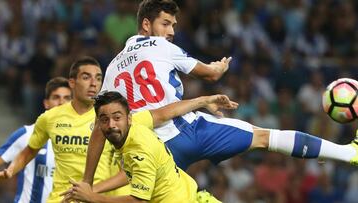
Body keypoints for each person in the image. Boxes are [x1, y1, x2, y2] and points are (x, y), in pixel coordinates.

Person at [83, 0, 358, 186]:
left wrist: (87, 182)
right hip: (187, 130)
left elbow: (99, 129)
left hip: (155, 155)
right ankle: (349, 154)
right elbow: (210, 75)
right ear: (146, 25)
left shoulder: (112, 69)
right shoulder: (160, 46)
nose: (171, 32)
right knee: (265, 137)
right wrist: (219, 66)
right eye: (166, 24)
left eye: (174, 26)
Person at [63, 91, 238, 203]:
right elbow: (165, 113)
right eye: (104, 120)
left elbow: (138, 202)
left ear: (128, 118)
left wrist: (92, 197)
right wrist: (204, 100)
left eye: (117, 117)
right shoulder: (135, 124)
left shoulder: (138, 152)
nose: (111, 125)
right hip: (196, 197)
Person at [0, 56, 117, 203]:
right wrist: (11, 170)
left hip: (95, 199)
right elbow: (30, 149)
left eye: (98, 78)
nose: (94, 84)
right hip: (59, 199)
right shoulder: (50, 118)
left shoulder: (110, 118)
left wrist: (92, 190)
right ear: (72, 83)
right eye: (86, 77)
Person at [0, 77, 72, 203]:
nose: (61, 103)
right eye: (56, 97)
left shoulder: (83, 137)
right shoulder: (26, 134)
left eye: (67, 98)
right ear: (46, 103)